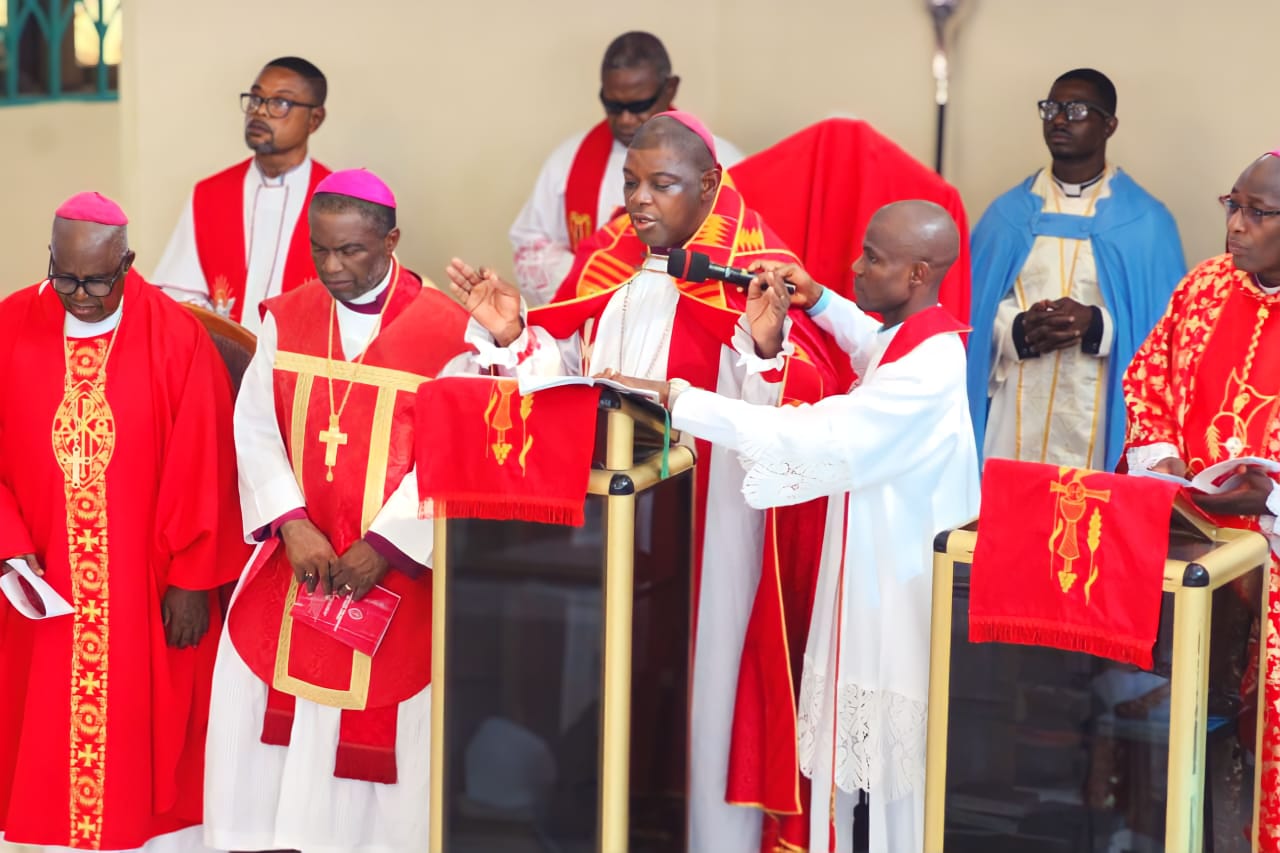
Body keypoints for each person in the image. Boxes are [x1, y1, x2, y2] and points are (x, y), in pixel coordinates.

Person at [450, 111, 849, 853]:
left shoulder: (758, 269)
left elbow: (806, 402)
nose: (638, 200)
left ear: (707, 184)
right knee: (608, 700)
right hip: (604, 533)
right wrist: (515, 336)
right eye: (631, 182)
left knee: (707, 703)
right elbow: (567, 376)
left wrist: (766, 351)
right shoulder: (611, 254)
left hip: (713, 529)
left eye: (661, 184)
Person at [603, 200, 979, 853]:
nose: (856, 265)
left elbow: (819, 435)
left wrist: (680, 399)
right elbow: (872, 343)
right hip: (867, 582)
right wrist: (824, 301)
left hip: (891, 602)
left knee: (882, 797)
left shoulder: (931, 367)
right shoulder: (913, 339)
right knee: (854, 781)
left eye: (874, 259)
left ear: (918, 273)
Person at [204, 169, 475, 853]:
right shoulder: (285, 317)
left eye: (352, 250)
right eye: (320, 250)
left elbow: (453, 451)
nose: (333, 267)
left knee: (381, 756)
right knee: (259, 722)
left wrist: (382, 545)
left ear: (391, 240)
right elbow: (256, 427)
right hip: (297, 564)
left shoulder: (450, 333)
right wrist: (292, 524)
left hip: (395, 575)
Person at [0, 193, 245, 851]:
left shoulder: (176, 336)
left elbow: (207, 464)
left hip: (144, 586)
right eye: (64, 275)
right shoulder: (11, 323)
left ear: (129, 263)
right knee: (35, 736)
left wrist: (194, 577)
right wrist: (9, 546)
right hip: (40, 583)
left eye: (98, 280)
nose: (79, 295)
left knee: (140, 758)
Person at [1124, 150, 1280, 852]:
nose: (1235, 226)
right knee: (1191, 757)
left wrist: (1271, 495)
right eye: (1232, 205)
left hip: (1269, 576)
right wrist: (1164, 461)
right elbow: (1148, 380)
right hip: (1191, 562)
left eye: (1256, 212)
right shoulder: (1207, 286)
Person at [968, 68, 1185, 472]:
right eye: (1051, 108)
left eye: (1077, 109)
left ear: (1109, 125)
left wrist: (1097, 325)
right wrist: (1017, 329)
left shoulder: (1146, 223)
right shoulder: (1006, 216)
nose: (1060, 119)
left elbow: (1168, 337)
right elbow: (969, 314)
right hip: (1014, 407)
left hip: (1100, 409)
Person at [508, 31, 745, 305]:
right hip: (594, 322)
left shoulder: (721, 162)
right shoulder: (568, 161)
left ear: (670, 88)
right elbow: (529, 244)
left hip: (682, 316)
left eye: (638, 106)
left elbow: (742, 252)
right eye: (613, 106)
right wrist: (597, 278)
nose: (625, 120)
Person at [152, 56, 332, 332]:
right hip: (224, 368)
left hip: (305, 367)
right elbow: (179, 297)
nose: (260, 111)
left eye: (280, 103)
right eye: (256, 99)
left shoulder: (339, 200)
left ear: (314, 120)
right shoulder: (210, 195)